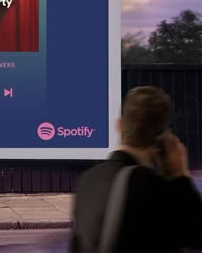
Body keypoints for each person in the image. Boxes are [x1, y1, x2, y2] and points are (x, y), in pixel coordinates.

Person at [70, 86, 202, 252]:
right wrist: (181, 176)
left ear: (119, 125)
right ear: (161, 138)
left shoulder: (87, 181)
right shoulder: (159, 190)